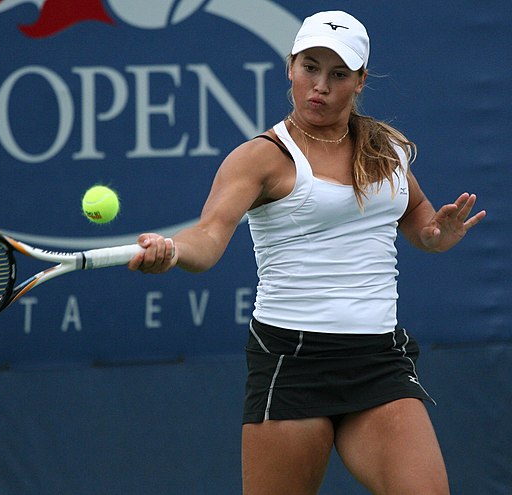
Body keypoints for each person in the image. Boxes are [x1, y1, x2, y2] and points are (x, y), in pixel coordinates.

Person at [128, 10, 486, 495]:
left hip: (379, 359)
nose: (320, 86)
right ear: (290, 67)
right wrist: (171, 251)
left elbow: (418, 217)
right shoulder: (260, 157)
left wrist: (435, 236)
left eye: (338, 74)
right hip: (292, 361)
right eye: (310, 68)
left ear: (359, 81)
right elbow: (208, 238)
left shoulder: (387, 149)